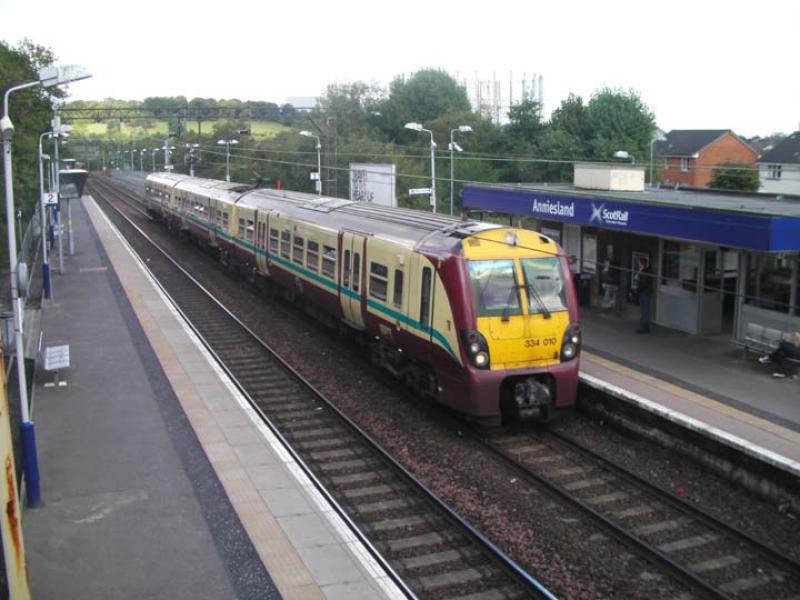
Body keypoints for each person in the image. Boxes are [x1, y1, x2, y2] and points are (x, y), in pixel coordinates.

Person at [636, 259, 653, 333]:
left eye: (639, 263)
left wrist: (638, 290)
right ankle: (645, 327)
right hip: (646, 292)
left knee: (644, 311)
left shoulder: (644, 272)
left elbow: (644, 283)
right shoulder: (645, 271)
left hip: (644, 292)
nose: (639, 264)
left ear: (642, 264)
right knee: (644, 310)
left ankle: (644, 328)